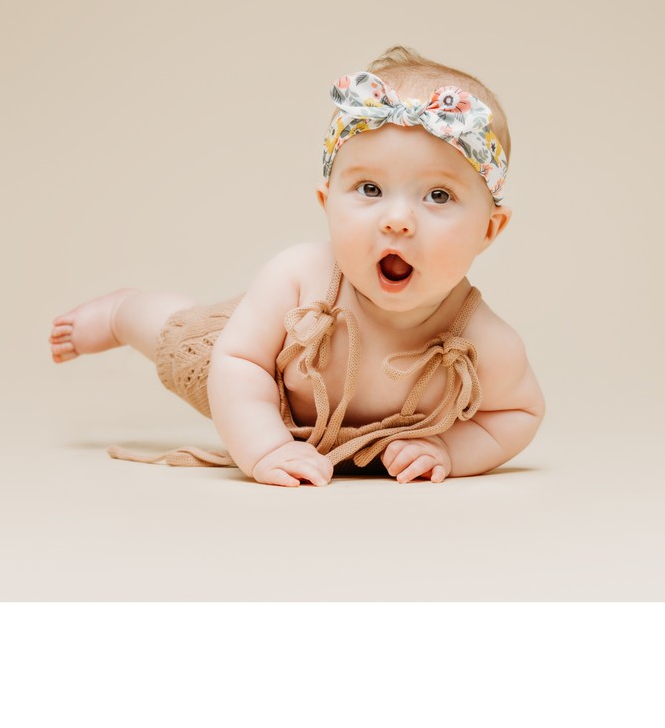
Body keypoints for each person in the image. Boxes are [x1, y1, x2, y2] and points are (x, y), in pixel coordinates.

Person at [48, 46, 545, 487]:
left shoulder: (483, 341)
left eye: (438, 195)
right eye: (370, 189)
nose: (397, 220)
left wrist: (450, 451)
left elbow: (518, 413)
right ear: (327, 201)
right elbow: (237, 362)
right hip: (256, 380)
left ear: (488, 230)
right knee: (177, 337)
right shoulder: (300, 276)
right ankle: (122, 312)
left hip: (333, 438)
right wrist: (265, 447)